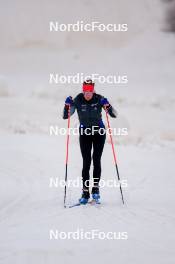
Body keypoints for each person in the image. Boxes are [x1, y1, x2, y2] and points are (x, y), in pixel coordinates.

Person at [63, 79, 117, 204]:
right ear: (83, 90)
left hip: (99, 134)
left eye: (90, 91)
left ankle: (96, 189)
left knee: (96, 160)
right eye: (85, 91)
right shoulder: (78, 99)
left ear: (93, 91)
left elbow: (113, 114)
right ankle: (85, 191)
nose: (87, 93)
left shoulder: (99, 99)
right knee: (86, 162)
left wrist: (107, 105)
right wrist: (67, 105)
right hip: (85, 134)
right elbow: (66, 116)